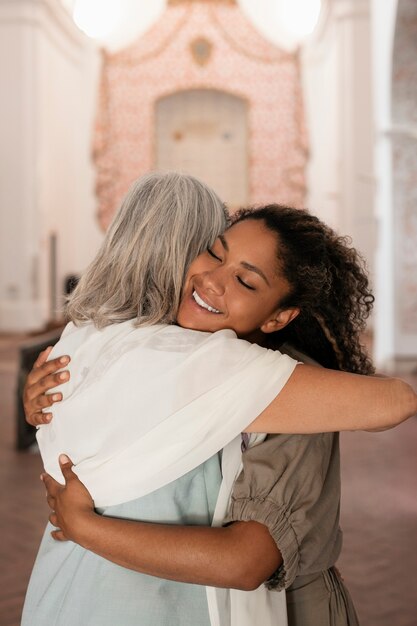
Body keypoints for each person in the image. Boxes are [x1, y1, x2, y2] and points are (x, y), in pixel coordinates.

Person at [22, 176, 417, 626]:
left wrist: (86, 528)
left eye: (246, 281)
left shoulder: (281, 386)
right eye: (213, 252)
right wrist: (40, 400)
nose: (211, 280)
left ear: (280, 316)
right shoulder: (150, 346)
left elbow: (245, 563)